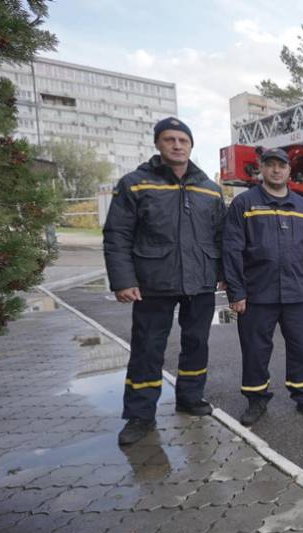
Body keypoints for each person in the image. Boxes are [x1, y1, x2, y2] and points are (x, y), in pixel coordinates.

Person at [104, 117, 225, 446]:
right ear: (158, 144)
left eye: (183, 140)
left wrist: (225, 276)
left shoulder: (210, 189)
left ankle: (190, 397)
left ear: (191, 146)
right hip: (153, 281)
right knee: (147, 348)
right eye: (169, 139)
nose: (176, 145)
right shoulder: (135, 184)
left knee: (197, 343)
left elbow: (221, 236)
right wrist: (123, 280)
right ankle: (140, 415)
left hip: (200, 280)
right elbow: (117, 235)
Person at [223, 148, 303, 426]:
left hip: (295, 292)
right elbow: (232, 249)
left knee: (301, 348)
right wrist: (236, 292)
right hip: (257, 292)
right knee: (255, 350)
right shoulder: (244, 203)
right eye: (270, 165)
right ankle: (256, 400)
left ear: (289, 171)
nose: (276, 170)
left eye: (281, 166)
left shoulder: (302, 206)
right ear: (262, 169)